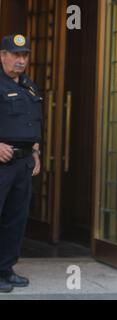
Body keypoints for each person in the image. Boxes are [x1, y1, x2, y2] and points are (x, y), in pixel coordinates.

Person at [0, 34, 42, 293]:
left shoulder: (29, 86)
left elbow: (33, 123)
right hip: (2, 163)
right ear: (2, 55)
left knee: (15, 219)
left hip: (24, 162)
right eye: (15, 54)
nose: (20, 60)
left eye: (24, 55)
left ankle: (5, 269)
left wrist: (36, 152)